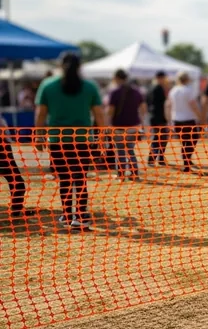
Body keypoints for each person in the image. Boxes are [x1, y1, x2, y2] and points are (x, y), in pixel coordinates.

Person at [34, 52, 106, 230]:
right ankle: (80, 216)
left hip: (57, 140)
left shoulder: (48, 85)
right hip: (83, 140)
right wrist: (103, 137)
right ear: (80, 66)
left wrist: (38, 135)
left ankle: (66, 215)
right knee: (80, 178)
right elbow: (99, 114)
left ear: (60, 65)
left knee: (65, 178)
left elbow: (41, 113)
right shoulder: (90, 87)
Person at [107, 69, 146, 180]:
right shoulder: (137, 91)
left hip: (118, 126)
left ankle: (121, 175)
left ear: (116, 78)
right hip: (133, 126)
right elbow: (143, 108)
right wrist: (141, 122)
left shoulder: (114, 92)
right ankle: (134, 174)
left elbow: (110, 111)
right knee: (130, 150)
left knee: (120, 151)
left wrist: (107, 124)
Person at [166, 71, 202, 172]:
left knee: (184, 142)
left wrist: (169, 120)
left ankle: (187, 161)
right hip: (189, 119)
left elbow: (168, 105)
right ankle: (187, 163)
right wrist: (200, 117)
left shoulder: (173, 90)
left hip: (176, 120)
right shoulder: (188, 90)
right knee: (192, 140)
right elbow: (193, 105)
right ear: (186, 79)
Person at [0, 115, 29, 218]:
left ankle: (16, 213)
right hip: (3, 145)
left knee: (18, 184)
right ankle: (16, 213)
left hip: (3, 145)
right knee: (18, 184)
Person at [147, 71, 170, 166]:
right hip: (159, 117)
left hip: (153, 116)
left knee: (160, 137)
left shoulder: (151, 88)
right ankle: (153, 159)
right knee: (160, 138)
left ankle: (159, 158)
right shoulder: (159, 88)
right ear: (161, 78)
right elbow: (163, 104)